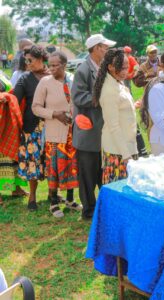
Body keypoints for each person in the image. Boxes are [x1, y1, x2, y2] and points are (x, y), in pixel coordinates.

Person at [71, 33, 116, 220]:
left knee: (103, 171)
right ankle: (89, 210)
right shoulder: (83, 70)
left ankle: (102, 208)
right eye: (105, 47)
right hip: (89, 133)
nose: (107, 50)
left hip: (103, 131)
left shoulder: (104, 68)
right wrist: (102, 99)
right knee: (88, 174)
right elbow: (78, 97)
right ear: (97, 48)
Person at [32, 51, 82, 218]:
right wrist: (55, 114)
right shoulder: (45, 82)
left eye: (55, 65)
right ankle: (53, 202)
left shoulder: (73, 79)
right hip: (54, 134)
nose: (51, 68)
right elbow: (36, 107)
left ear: (64, 65)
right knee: (54, 168)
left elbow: (77, 102)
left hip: (72, 132)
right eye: (50, 65)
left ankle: (69, 199)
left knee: (71, 166)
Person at [13, 45, 50, 211]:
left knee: (52, 159)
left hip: (53, 124)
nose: (27, 63)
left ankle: (53, 194)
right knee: (33, 161)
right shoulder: (25, 79)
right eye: (25, 60)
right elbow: (14, 98)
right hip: (32, 126)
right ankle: (33, 197)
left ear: (41, 58)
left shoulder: (54, 75)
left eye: (30, 60)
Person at [93, 48, 138, 184]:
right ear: (110, 67)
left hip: (126, 146)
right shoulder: (109, 91)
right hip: (118, 150)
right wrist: (126, 155)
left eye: (126, 67)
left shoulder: (117, 81)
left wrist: (133, 106)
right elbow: (113, 126)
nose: (125, 71)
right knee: (120, 192)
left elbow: (120, 109)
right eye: (121, 68)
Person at [0, 92, 27, 205]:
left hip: (8, 126)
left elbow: (12, 92)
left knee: (12, 159)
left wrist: (7, 97)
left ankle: (16, 189)